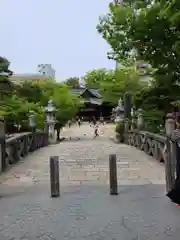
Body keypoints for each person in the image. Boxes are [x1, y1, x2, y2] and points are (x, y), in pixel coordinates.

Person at [167, 120, 180, 205]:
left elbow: (172, 139)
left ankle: (177, 197)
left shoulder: (177, 132)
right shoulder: (177, 132)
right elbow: (172, 139)